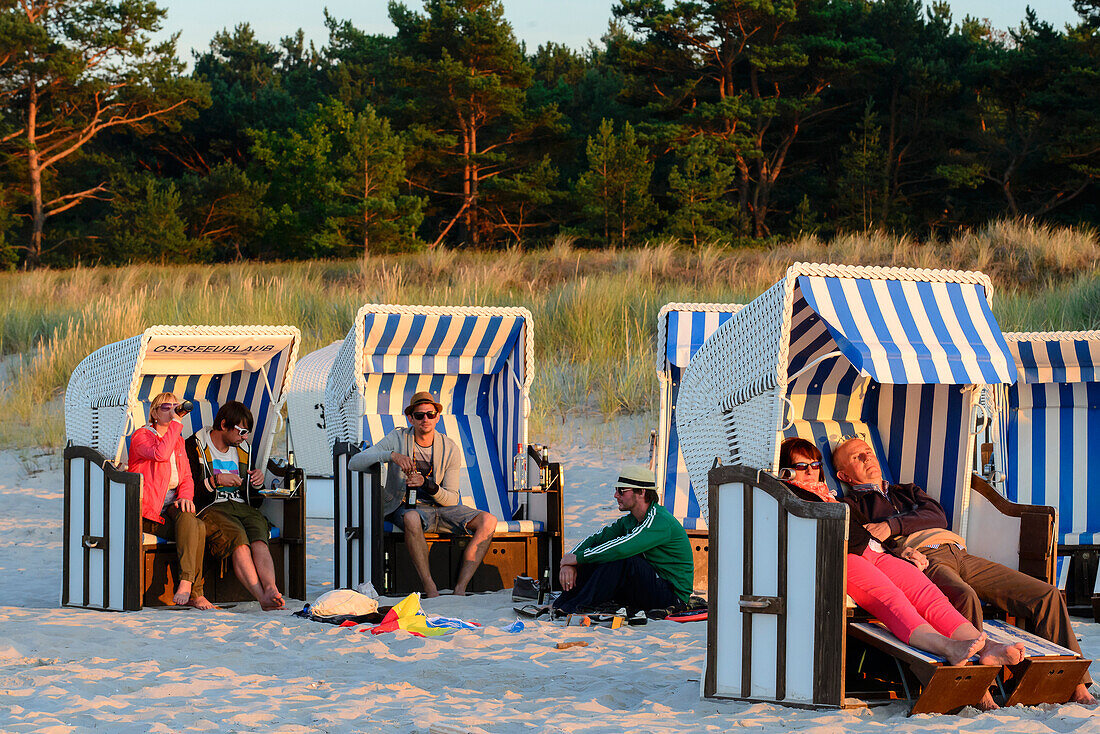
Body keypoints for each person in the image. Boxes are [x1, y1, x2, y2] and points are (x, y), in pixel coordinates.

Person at [832, 436, 1096, 706]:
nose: (867, 458)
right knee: (963, 594)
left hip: (958, 551)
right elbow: (873, 543)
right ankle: (980, 689)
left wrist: (892, 525)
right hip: (925, 559)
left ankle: (1077, 684)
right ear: (844, 475)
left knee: (1047, 594)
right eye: (857, 457)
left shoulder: (907, 490)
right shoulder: (854, 506)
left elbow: (937, 516)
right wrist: (896, 537)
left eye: (868, 452)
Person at [779, 438, 1023, 673]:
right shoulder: (791, 497)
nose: (811, 471)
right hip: (844, 556)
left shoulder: (828, 495)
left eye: (815, 464)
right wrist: (785, 484)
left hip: (875, 552)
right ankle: (947, 647)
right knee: (892, 598)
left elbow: (865, 530)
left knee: (928, 593)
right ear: (786, 472)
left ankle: (987, 648)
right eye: (801, 466)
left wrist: (899, 550)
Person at [347, 391, 497, 597]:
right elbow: (354, 462)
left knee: (488, 520)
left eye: (430, 414)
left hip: (441, 509)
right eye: (419, 415)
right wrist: (391, 456)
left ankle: (461, 588)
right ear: (411, 418)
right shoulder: (398, 438)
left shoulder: (450, 447)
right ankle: (430, 587)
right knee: (411, 517)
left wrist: (426, 484)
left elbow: (452, 498)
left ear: (437, 416)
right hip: (407, 508)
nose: (425, 419)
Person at [553, 466, 693, 615]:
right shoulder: (631, 520)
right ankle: (561, 604)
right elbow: (597, 538)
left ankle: (576, 606)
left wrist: (579, 558)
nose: (615, 495)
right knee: (598, 554)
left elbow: (622, 549)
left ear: (641, 492)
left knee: (621, 558)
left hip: (671, 595)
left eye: (621, 491)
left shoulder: (660, 521)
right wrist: (570, 561)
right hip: (647, 586)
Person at [186, 401, 284, 611]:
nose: (245, 437)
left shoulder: (243, 449)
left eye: (247, 432)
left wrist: (256, 481)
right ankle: (262, 598)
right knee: (238, 536)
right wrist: (216, 481)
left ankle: (271, 589)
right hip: (211, 507)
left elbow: (251, 493)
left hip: (240, 505)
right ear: (223, 425)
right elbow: (189, 490)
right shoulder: (194, 446)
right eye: (242, 431)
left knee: (259, 533)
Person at [128, 392, 213, 610]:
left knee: (193, 520)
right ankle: (195, 591)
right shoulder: (141, 436)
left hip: (170, 507)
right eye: (166, 407)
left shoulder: (178, 441)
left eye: (176, 407)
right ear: (154, 413)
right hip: (147, 512)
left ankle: (186, 583)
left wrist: (185, 495)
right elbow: (160, 454)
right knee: (197, 526)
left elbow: (186, 477)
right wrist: (176, 423)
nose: (173, 410)